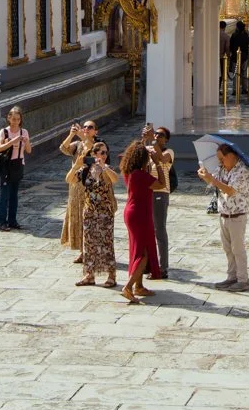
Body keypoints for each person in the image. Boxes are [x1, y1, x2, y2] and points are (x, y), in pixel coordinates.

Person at [196, 142, 249, 291]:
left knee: (238, 249)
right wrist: (205, 176)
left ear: (231, 156)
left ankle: (243, 280)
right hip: (224, 214)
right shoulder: (222, 169)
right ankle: (232, 276)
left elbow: (230, 191)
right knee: (228, 248)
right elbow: (213, 183)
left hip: (237, 215)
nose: (220, 162)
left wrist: (213, 180)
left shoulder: (242, 171)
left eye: (222, 159)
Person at [118, 140, 160, 302]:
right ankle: (128, 286)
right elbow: (161, 184)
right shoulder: (141, 175)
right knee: (144, 253)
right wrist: (156, 163)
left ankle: (139, 286)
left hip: (132, 212)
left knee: (137, 249)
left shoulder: (130, 172)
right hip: (140, 215)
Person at [74, 140, 118, 288]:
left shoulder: (107, 168)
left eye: (106, 152)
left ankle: (111, 275)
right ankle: (89, 275)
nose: (104, 155)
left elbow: (116, 179)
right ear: (93, 154)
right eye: (101, 152)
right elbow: (69, 179)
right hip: (89, 211)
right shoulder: (85, 170)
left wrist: (103, 167)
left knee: (106, 243)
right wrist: (77, 164)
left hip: (105, 211)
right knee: (89, 244)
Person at [59, 120, 97, 258]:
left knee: (86, 217)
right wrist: (71, 135)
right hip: (75, 184)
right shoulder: (78, 145)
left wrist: (83, 136)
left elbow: (94, 154)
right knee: (76, 216)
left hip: (88, 186)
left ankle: (87, 249)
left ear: (95, 131)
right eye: (85, 127)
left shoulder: (97, 145)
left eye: (90, 127)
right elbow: (63, 148)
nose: (86, 129)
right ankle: (81, 250)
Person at [0, 105, 31, 230]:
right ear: (9, 118)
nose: (15, 122)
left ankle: (12, 220)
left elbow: (29, 150)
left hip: (18, 164)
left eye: (18, 119)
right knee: (4, 194)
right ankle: (2, 222)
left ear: (21, 120)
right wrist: (12, 141)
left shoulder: (23, 132)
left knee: (14, 195)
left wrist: (25, 142)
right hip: (6, 165)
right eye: (13, 119)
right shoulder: (4, 132)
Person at [149, 126, 175, 278]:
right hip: (147, 191)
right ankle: (149, 264)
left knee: (159, 229)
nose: (157, 136)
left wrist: (154, 144)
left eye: (161, 135)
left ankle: (162, 267)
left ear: (166, 139)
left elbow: (161, 159)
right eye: (156, 134)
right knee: (148, 230)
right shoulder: (149, 148)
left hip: (160, 192)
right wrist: (145, 140)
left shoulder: (169, 152)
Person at [227, 18, 249, 101]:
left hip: (235, 57)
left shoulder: (234, 35)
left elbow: (231, 45)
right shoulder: (245, 35)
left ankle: (235, 89)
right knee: (244, 73)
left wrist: (232, 52)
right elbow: (248, 42)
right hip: (244, 56)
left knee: (235, 73)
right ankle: (244, 88)